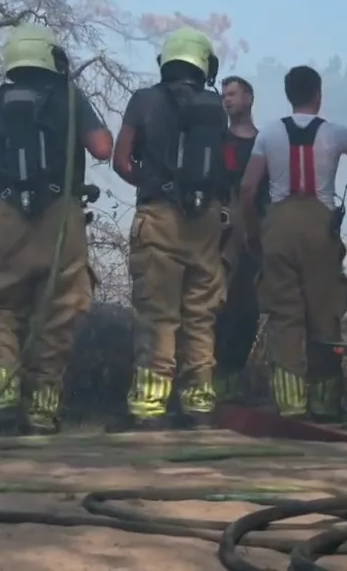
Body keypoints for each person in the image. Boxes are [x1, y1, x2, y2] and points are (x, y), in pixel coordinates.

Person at [0, 23, 114, 437]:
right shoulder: (69, 99)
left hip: (8, 217)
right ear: (52, 58)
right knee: (59, 311)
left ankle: (1, 402)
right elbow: (103, 148)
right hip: (62, 216)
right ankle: (42, 414)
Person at [238, 65, 347, 421]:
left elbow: (247, 188)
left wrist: (253, 232)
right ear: (318, 95)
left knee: (283, 318)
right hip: (320, 229)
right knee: (324, 314)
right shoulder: (335, 134)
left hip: (278, 227)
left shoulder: (268, 135)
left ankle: (289, 405)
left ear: (289, 95)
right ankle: (325, 402)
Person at [113, 27, 232, 430]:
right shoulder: (217, 107)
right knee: (200, 316)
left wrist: (152, 186)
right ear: (204, 65)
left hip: (159, 219)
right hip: (206, 223)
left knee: (159, 316)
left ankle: (149, 409)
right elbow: (226, 164)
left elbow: (121, 160)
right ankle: (198, 407)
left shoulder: (144, 101)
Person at [211, 75, 266, 404]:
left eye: (232, 94)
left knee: (249, 309)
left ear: (249, 97)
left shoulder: (264, 142)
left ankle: (233, 376)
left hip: (258, 230)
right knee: (219, 306)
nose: (226, 100)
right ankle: (213, 378)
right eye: (224, 95)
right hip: (223, 230)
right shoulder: (219, 141)